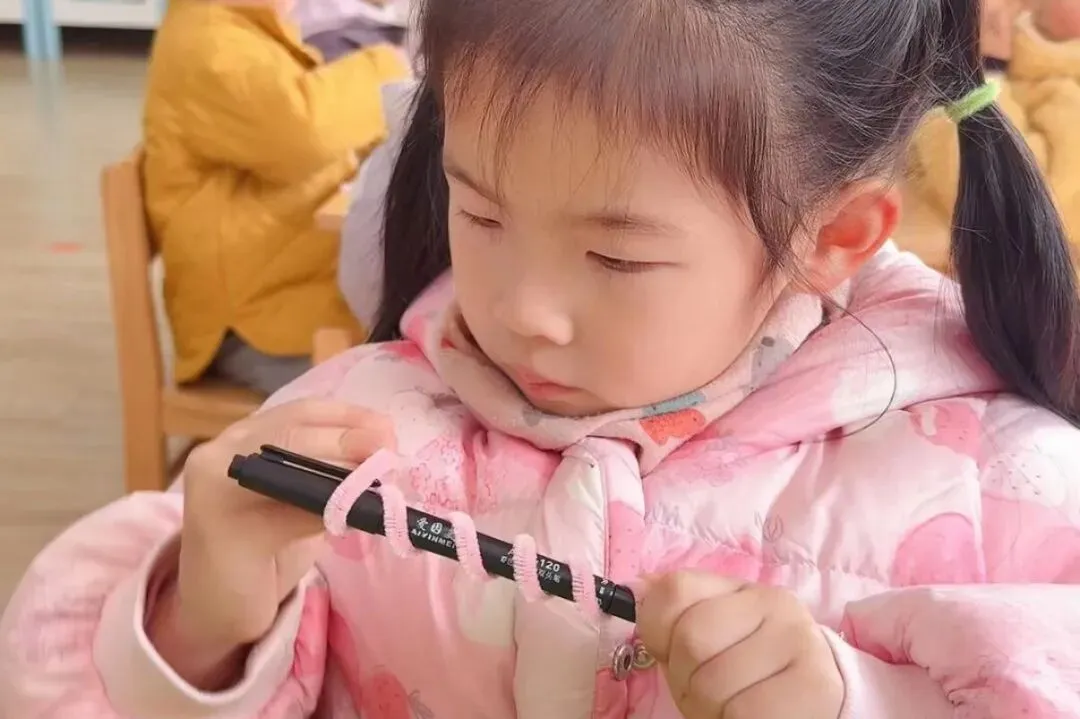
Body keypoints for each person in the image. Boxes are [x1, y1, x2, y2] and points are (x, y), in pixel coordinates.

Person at [5, 0, 1080, 717]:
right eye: (479, 214)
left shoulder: (1001, 489)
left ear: (832, 235)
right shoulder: (358, 432)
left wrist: (864, 698)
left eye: (616, 255)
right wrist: (198, 625)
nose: (523, 311)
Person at [142, 0, 409, 395]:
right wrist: (386, 66)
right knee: (397, 389)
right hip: (249, 322)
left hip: (288, 286)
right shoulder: (207, 42)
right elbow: (304, 132)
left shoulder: (245, 28)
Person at [901, 0, 1080, 269]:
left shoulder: (1065, 86)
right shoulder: (1019, 30)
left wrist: (983, 62)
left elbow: (1015, 203)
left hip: (941, 273)